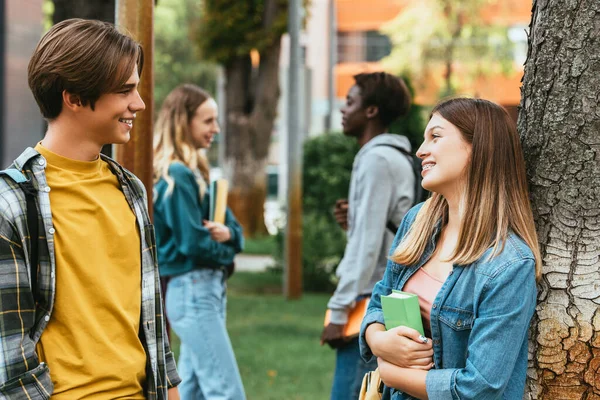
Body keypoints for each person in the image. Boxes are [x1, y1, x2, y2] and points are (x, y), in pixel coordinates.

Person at [0, 19, 180, 399]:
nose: (140, 103)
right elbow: (8, 355)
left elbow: (148, 316)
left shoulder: (130, 190)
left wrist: (169, 389)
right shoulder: (12, 203)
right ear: (75, 97)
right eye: (125, 90)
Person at [360, 98, 542, 399]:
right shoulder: (417, 221)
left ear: (478, 148)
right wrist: (378, 341)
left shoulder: (509, 264)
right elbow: (380, 300)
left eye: (436, 136)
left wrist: (393, 373)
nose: (420, 150)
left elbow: (481, 387)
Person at [320, 72, 415, 400]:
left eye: (350, 102)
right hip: (388, 298)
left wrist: (339, 309)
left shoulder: (377, 159)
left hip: (370, 302)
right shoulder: (392, 156)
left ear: (371, 110)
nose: (343, 110)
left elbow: (367, 246)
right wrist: (355, 220)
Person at [153, 84, 246, 400]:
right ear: (184, 121)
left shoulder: (196, 174)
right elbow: (193, 244)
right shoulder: (177, 175)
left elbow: (235, 230)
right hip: (193, 290)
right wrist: (227, 249)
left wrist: (230, 238)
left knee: (192, 391)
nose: (215, 129)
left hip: (203, 290)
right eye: (208, 121)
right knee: (227, 392)